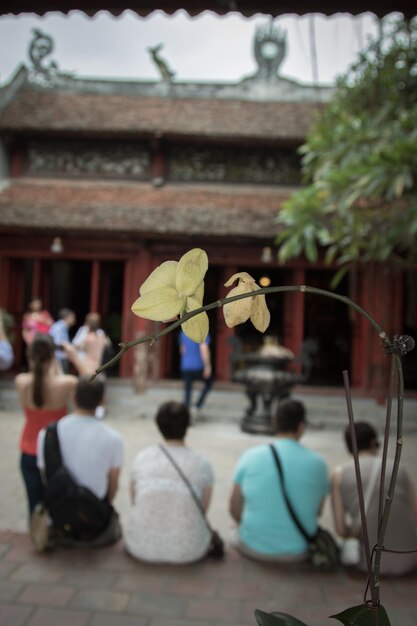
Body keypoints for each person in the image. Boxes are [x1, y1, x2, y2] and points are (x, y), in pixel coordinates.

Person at [229, 398, 329, 562]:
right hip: (299, 551)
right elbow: (318, 511)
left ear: (275, 422)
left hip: (252, 546)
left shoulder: (251, 456)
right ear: (302, 426)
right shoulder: (319, 464)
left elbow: (234, 507)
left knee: (233, 529)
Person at [36, 377, 123, 548]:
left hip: (59, 514)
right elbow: (112, 487)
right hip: (95, 517)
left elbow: (45, 476)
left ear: (73, 398)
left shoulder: (48, 433)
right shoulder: (113, 438)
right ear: (102, 401)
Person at [125, 401, 215, 564]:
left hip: (140, 545)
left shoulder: (142, 458)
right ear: (187, 426)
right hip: (189, 549)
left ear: (158, 425)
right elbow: (203, 507)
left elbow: (135, 500)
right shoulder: (202, 463)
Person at [331, 421, 417, 576]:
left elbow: (341, 529)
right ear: (373, 443)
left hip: (368, 564)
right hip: (410, 560)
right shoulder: (400, 469)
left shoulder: (339, 474)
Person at [15, 334, 82, 518]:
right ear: (54, 355)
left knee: (34, 505)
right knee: (57, 501)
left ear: (30, 356)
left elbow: (36, 376)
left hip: (28, 451)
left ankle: (38, 537)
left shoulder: (20, 382)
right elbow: (93, 380)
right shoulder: (66, 383)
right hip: (55, 451)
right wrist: (73, 357)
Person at [72, 313, 110, 418]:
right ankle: (100, 409)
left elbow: (78, 347)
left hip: (87, 364)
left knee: (84, 388)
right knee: (98, 388)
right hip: (98, 365)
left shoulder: (87, 337)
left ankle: (84, 409)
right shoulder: (102, 336)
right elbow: (107, 345)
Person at [179, 330, 212, 420]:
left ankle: (185, 415)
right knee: (208, 384)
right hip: (198, 366)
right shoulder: (202, 330)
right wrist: (207, 366)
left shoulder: (184, 332)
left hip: (186, 366)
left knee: (188, 390)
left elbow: (182, 350)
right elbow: (204, 349)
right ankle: (197, 406)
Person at [49, 308, 76, 373]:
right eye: (72, 317)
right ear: (66, 317)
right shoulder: (59, 328)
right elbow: (57, 343)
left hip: (59, 357)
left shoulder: (61, 327)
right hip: (59, 358)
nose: (74, 320)